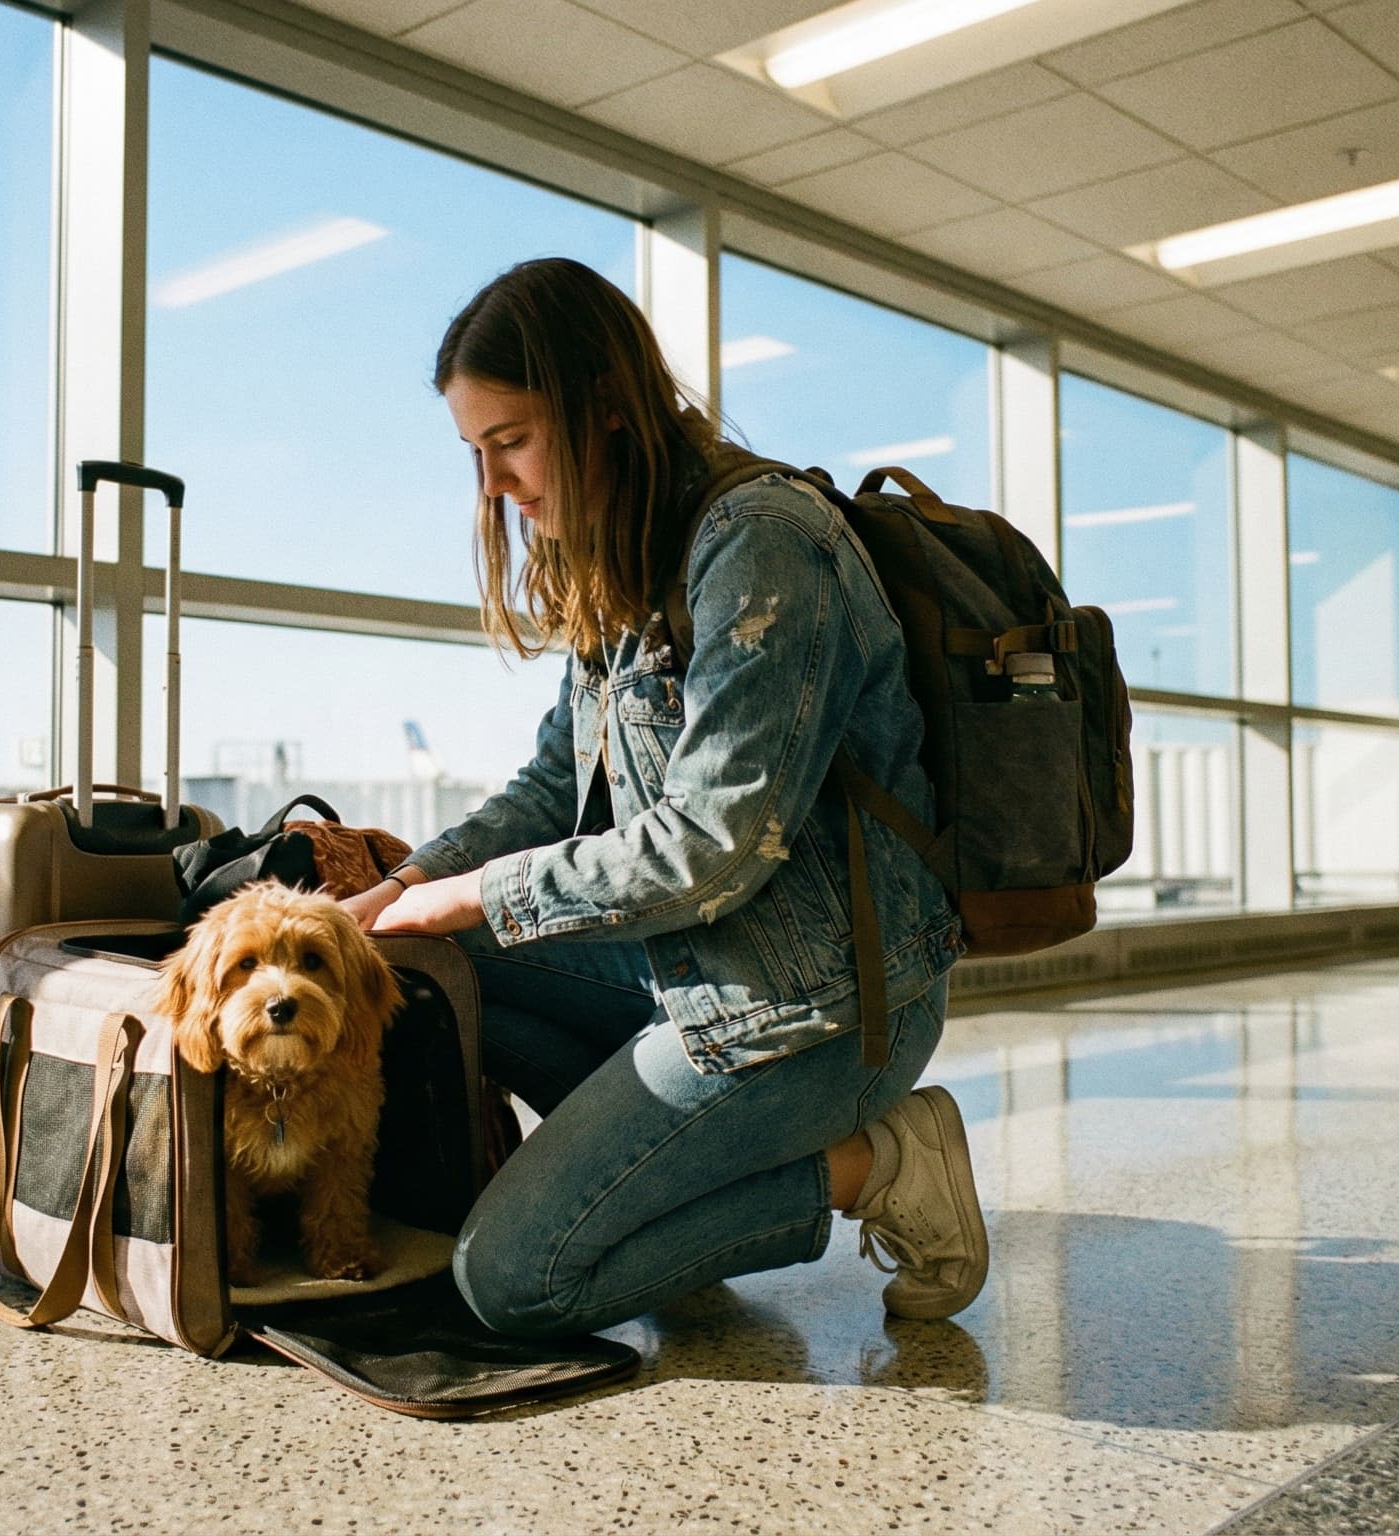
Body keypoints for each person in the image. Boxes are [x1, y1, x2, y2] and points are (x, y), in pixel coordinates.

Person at [343, 257, 984, 1340]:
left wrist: (467, 897)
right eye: (476, 454)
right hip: (689, 968)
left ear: (603, 409)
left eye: (511, 441)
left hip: (818, 1007)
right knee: (427, 967)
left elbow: (710, 846)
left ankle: (876, 1162)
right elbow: (554, 784)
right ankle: (660, 1193)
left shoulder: (761, 543)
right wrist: (404, 889)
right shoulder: (617, 559)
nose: (494, 483)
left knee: (514, 1281)